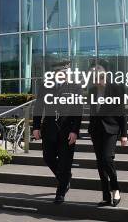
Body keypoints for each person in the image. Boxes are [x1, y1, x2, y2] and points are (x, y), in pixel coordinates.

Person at [32, 60, 82, 204]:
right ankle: (65, 178)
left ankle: (60, 192)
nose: (64, 75)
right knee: (48, 157)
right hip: (49, 130)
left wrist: (75, 131)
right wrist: (36, 127)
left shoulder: (75, 87)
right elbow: (38, 107)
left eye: (66, 72)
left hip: (67, 131)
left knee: (65, 162)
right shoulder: (45, 86)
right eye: (61, 73)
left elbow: (78, 111)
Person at [87, 62, 128, 207]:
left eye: (99, 75)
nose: (97, 78)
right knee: (100, 163)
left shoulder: (116, 88)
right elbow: (92, 111)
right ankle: (105, 196)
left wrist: (124, 134)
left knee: (107, 158)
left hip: (111, 129)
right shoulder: (91, 91)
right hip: (96, 131)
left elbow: (121, 112)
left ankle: (115, 189)